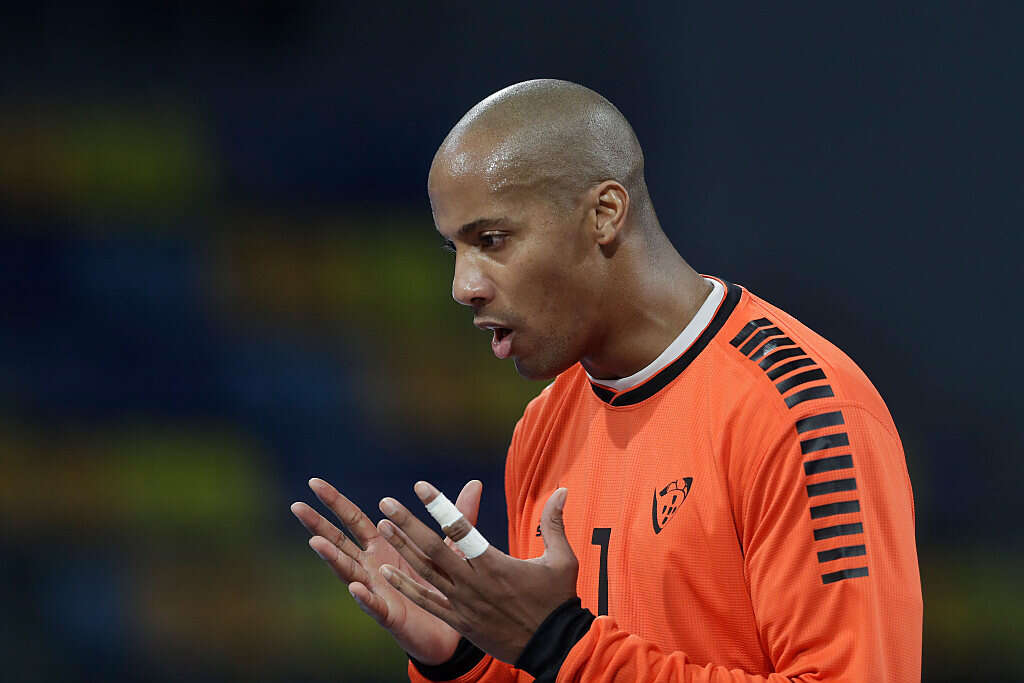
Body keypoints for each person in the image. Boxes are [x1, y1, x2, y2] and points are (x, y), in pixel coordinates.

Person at [291, 79, 922, 682]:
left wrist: (560, 645)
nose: (463, 286)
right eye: (453, 249)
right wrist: (466, 660)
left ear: (604, 214)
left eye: (492, 239)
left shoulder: (801, 413)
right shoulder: (541, 428)